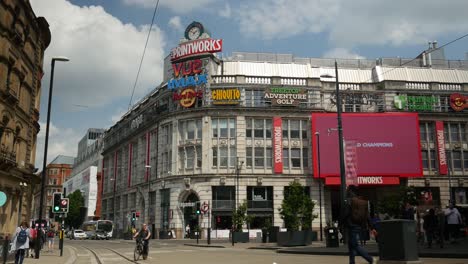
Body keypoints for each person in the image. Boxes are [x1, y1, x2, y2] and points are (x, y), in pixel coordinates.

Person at [342, 185, 375, 264]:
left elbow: (345, 214)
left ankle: (370, 259)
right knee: (351, 245)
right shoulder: (362, 202)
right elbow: (367, 216)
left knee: (355, 245)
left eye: (348, 190)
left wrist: (341, 223)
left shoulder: (349, 201)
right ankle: (352, 262)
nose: (347, 191)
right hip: (359, 225)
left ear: (350, 191)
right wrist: (372, 227)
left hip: (352, 225)